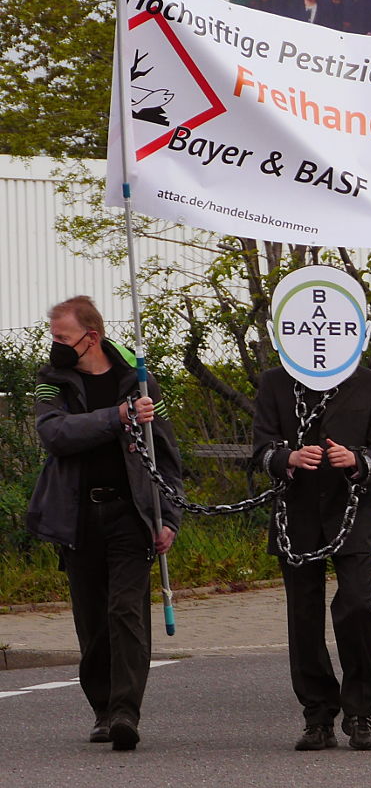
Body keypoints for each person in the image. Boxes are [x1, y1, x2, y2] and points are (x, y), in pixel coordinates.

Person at [26, 296, 183, 751]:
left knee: (127, 612)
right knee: (92, 620)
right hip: (76, 518)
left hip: (130, 515)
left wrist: (168, 517)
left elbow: (167, 456)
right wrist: (116, 418)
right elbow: (54, 434)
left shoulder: (138, 380)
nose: (54, 344)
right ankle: (101, 708)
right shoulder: (50, 382)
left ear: (90, 337)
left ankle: (124, 712)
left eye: (61, 337)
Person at [251, 267, 371, 752]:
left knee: (356, 607)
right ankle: (318, 714)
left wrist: (359, 461)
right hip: (297, 516)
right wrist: (287, 458)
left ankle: (360, 712)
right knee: (304, 617)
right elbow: (260, 450)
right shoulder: (274, 383)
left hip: (353, 512)